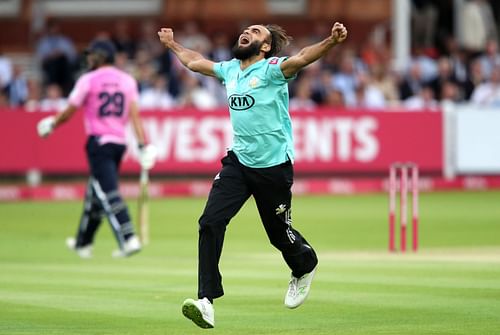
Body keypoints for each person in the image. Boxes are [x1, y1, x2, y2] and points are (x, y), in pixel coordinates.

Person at [157, 22, 347, 328]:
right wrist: (172, 44)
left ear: (266, 47)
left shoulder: (273, 69)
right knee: (210, 222)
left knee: (278, 235)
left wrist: (331, 42)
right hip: (239, 163)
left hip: (273, 167)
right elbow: (194, 62)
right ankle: (206, 301)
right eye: (246, 30)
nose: (247, 32)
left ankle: (305, 264)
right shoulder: (230, 70)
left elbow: (302, 58)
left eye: (256, 32)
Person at [36, 39, 157, 258]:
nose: (89, 58)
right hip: (119, 143)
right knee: (95, 193)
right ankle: (83, 242)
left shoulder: (88, 80)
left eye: (92, 55)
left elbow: (70, 111)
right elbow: (135, 117)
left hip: (99, 142)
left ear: (100, 56)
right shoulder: (127, 80)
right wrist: (142, 145)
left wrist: (52, 123)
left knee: (107, 192)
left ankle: (128, 238)